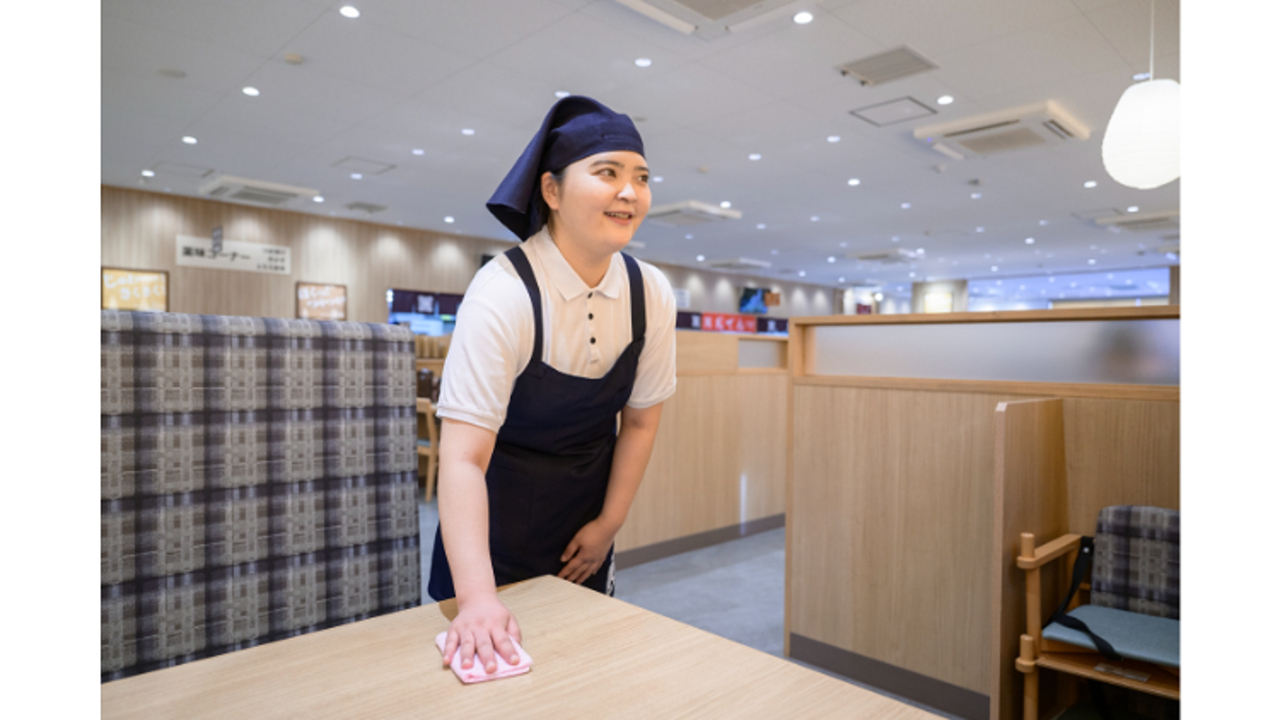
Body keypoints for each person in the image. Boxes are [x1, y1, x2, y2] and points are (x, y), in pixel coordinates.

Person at [429, 96, 677, 676]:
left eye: (641, 178)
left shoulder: (652, 292)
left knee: (585, 674)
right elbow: (463, 459)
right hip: (489, 526)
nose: (630, 192)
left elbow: (640, 421)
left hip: (584, 523)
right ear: (552, 190)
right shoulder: (503, 291)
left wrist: (607, 526)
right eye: (607, 172)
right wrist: (478, 598)